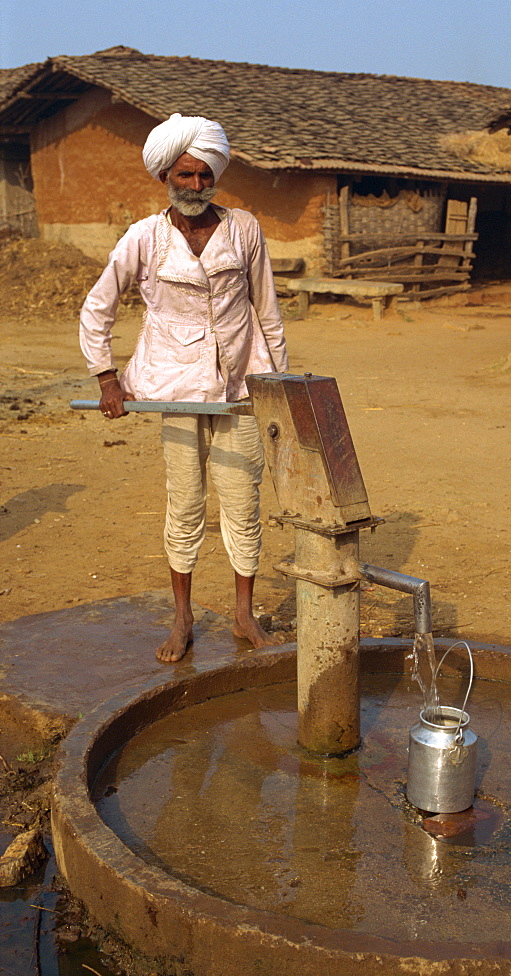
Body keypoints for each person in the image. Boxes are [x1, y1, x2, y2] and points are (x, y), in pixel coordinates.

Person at [79, 113, 288, 663]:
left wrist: (278, 384)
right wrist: (107, 378)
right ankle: (183, 617)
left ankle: (243, 615)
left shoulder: (244, 228)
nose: (195, 186)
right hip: (172, 389)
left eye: (203, 176)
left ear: (215, 174)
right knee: (186, 504)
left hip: (240, 390)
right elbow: (97, 307)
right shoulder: (144, 238)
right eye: (185, 175)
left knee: (244, 502)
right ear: (165, 176)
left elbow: (267, 310)